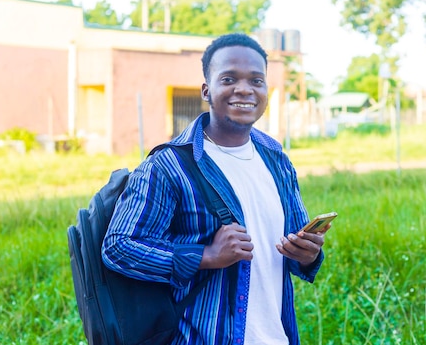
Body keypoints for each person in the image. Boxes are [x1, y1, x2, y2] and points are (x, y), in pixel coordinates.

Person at [102, 33, 328, 345]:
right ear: (207, 90)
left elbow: (292, 251)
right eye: (229, 78)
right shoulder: (170, 165)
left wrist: (307, 253)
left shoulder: (277, 159)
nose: (244, 89)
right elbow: (118, 247)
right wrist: (206, 255)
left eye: (256, 80)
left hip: (277, 336)